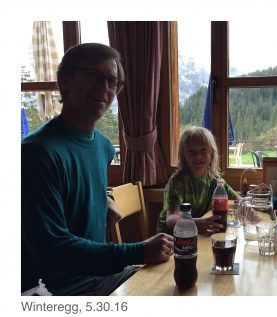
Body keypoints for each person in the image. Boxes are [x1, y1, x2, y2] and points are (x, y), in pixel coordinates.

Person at [21, 43, 174, 296]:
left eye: (112, 81)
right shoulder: (36, 154)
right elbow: (53, 248)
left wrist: (103, 196)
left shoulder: (103, 146)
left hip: (99, 275)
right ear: (65, 80)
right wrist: (138, 251)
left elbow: (74, 186)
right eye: (94, 75)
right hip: (53, 289)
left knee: (171, 283)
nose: (105, 88)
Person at [156, 126, 241, 235]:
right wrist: (194, 223)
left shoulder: (214, 178)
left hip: (196, 233)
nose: (198, 156)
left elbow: (236, 197)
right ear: (184, 155)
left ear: (212, 154)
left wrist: (246, 208)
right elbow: (171, 219)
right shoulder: (177, 181)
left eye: (203, 150)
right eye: (192, 151)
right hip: (172, 238)